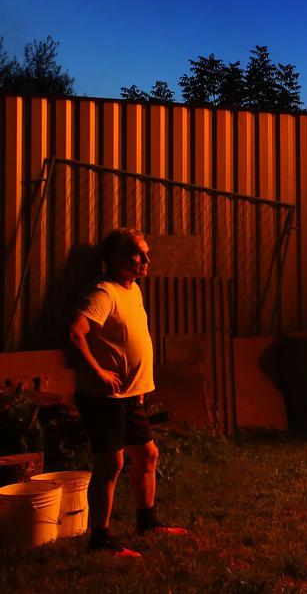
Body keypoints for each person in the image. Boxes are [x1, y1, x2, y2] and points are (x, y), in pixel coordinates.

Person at [69, 228, 188, 556]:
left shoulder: (131, 289)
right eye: (138, 254)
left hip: (131, 396)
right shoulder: (103, 293)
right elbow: (77, 333)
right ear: (115, 259)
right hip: (104, 398)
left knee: (147, 455)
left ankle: (146, 521)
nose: (147, 260)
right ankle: (100, 539)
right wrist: (99, 371)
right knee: (111, 465)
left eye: (147, 253)